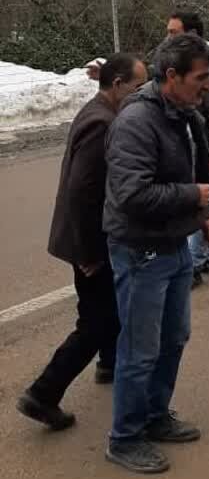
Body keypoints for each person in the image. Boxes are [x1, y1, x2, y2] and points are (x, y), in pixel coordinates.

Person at [103, 34, 209, 474]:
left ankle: (155, 416)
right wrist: (192, 195)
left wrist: (204, 211)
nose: (207, 86)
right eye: (200, 78)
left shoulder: (185, 113)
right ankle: (125, 437)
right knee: (139, 349)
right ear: (171, 76)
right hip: (140, 250)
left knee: (174, 338)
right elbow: (132, 194)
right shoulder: (137, 121)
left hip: (175, 243)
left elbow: (197, 169)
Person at [16, 54, 147, 430]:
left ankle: (109, 364)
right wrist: (90, 251)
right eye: (138, 88)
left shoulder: (103, 113)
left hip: (91, 238)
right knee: (97, 320)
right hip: (89, 242)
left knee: (108, 309)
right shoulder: (101, 123)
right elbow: (82, 193)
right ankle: (43, 394)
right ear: (118, 84)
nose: (142, 95)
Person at [167, 11, 209, 286]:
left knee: (200, 200)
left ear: (191, 34)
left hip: (203, 148)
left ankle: (195, 263)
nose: (168, 37)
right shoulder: (184, 66)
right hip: (194, 146)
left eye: (173, 32)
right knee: (207, 199)